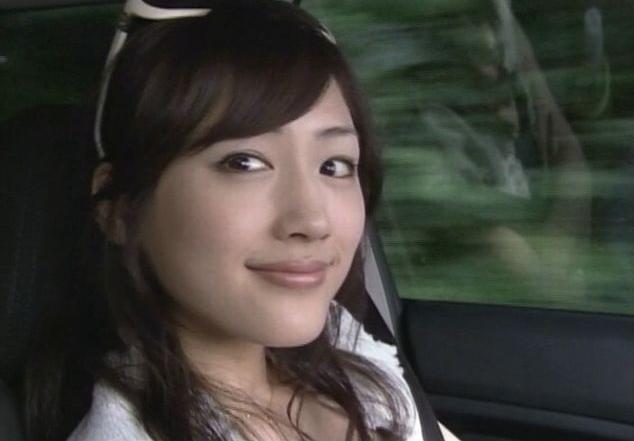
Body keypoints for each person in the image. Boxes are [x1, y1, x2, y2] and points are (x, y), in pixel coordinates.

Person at [25, 1, 458, 440]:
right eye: (244, 162)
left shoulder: (363, 373)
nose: (312, 221)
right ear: (120, 208)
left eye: (334, 165)